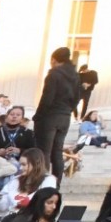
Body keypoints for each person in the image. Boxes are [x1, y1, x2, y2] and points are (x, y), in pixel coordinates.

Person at [34, 48, 80, 181]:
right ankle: (56, 184)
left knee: (45, 152)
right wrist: (68, 111)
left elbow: (47, 98)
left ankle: (44, 182)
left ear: (54, 59)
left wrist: (38, 116)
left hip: (50, 116)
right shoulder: (75, 76)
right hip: (65, 116)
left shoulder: (54, 74)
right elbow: (77, 98)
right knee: (57, 152)